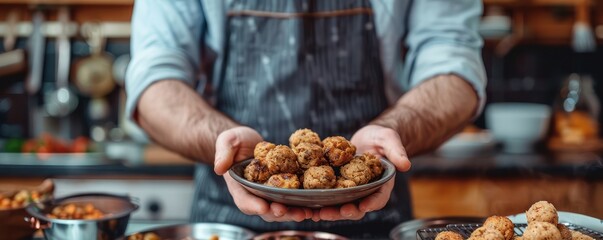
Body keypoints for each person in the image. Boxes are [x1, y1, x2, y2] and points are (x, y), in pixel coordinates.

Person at [125, 0, 486, 238]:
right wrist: (222, 142)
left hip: (371, 210)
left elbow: (455, 66)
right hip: (228, 218)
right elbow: (154, 81)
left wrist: (394, 131)